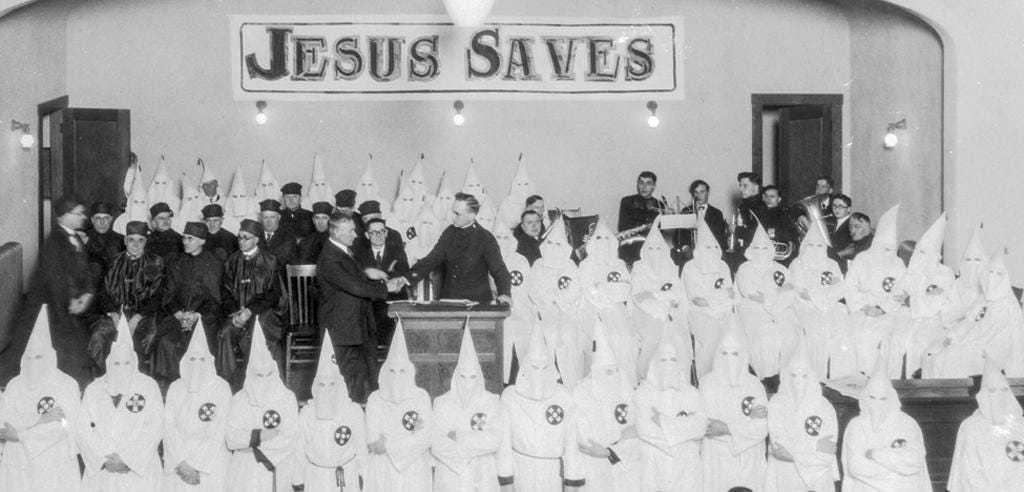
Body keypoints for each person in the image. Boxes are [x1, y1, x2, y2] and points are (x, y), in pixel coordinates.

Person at [317, 210, 398, 404]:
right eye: (351, 231)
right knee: (345, 377)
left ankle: (357, 408)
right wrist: (386, 288)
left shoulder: (341, 250)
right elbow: (354, 287)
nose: (355, 235)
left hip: (353, 323)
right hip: (342, 328)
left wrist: (367, 273)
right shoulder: (329, 257)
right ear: (336, 232)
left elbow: (353, 278)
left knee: (358, 375)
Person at [0, 308, 85, 490]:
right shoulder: (15, 385)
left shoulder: (65, 385)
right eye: (29, 356)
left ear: (50, 356)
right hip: (18, 464)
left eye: (38, 356)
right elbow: (5, 423)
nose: (33, 362)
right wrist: (39, 419)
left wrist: (21, 435)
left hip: (52, 463)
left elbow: (64, 426)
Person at [78, 315, 165, 490]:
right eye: (116, 363)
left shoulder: (148, 387)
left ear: (134, 362)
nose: (122, 368)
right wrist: (102, 460)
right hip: (103, 471)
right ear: (109, 362)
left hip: (138, 472)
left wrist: (128, 459)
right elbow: (83, 428)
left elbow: (155, 427)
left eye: (127, 363)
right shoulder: (94, 389)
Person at [497, 326, 586, 490]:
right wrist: (506, 483)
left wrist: (572, 483)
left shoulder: (563, 396)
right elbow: (504, 444)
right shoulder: (510, 396)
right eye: (534, 367)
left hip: (551, 473)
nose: (539, 373)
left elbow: (571, 445)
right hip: (521, 471)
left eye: (544, 367)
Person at [923, 249, 1024, 378]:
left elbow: (994, 336)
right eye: (990, 272)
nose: (992, 277)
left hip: (990, 350)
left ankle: (954, 392)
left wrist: (963, 342)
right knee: (931, 352)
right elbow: (968, 321)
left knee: (949, 359)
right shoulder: (983, 299)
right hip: (972, 342)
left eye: (998, 274)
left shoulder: (1008, 305)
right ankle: (933, 391)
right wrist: (952, 337)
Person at [225, 321, 299, 492]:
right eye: (259, 375)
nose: (264, 380)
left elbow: (290, 436)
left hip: (277, 466)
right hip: (245, 470)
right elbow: (231, 438)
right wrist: (259, 436)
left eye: (269, 374)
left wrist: (252, 447)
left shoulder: (287, 398)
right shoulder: (240, 399)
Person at [633, 328, 708, 492]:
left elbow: (701, 426)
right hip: (654, 464)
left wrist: (663, 421)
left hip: (687, 466)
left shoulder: (692, 393)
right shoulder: (643, 393)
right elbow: (646, 430)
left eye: (673, 359)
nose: (668, 365)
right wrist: (684, 428)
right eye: (663, 360)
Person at [403, 193, 512, 304]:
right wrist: (405, 278)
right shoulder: (449, 232)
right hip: (450, 300)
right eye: (453, 212)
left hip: (477, 304)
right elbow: (431, 260)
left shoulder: (485, 238)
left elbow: (499, 270)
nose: (452, 217)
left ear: (472, 215)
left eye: (457, 214)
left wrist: (505, 293)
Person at [161, 319, 232, 491]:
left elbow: (219, 430)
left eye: (202, 359)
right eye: (192, 359)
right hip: (179, 463)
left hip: (211, 463)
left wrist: (197, 464)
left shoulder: (221, 388)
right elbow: (168, 426)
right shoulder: (176, 387)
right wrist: (181, 462)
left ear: (209, 361)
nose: (197, 364)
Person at [431, 323, 502, 492]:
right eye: (463, 376)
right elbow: (437, 443)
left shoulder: (491, 401)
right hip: (451, 474)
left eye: (473, 377)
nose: (468, 382)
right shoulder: (442, 402)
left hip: (483, 475)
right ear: (456, 376)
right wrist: (469, 457)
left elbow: (494, 440)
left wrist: (460, 436)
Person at [293, 331, 367, 492]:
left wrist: (364, 477)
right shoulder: (308, 413)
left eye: (332, 384)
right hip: (315, 477)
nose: (327, 389)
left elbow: (361, 447)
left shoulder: (353, 411)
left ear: (340, 385)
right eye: (322, 384)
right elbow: (300, 448)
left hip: (345, 477)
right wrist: (298, 479)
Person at [38, 196, 100, 387]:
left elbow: (86, 271)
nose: (83, 217)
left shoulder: (75, 237)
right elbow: (56, 281)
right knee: (68, 355)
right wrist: (71, 301)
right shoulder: (54, 242)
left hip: (78, 306)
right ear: (64, 215)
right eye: (78, 213)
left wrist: (88, 294)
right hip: (60, 309)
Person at [364, 321, 433, 491]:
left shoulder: (421, 397)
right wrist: (409, 435)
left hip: (414, 471)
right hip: (383, 471)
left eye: (402, 371)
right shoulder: (375, 399)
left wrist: (388, 443)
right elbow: (374, 443)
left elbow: (425, 438)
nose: (396, 376)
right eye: (392, 371)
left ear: (409, 371)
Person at [572, 320, 640, 492]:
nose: (612, 375)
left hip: (626, 467)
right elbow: (586, 440)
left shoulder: (625, 388)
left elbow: (639, 430)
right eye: (607, 371)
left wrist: (610, 450)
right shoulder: (582, 392)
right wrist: (621, 434)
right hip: (595, 468)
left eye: (614, 370)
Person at [840, 364, 931, 491]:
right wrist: (895, 472)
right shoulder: (856, 426)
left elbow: (915, 460)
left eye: (883, 398)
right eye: (872, 397)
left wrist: (876, 455)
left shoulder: (907, 424)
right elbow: (856, 467)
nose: (877, 404)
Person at [700, 326, 768, 492]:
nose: (729, 359)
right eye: (724, 353)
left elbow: (762, 427)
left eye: (735, 353)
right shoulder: (707, 384)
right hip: (717, 458)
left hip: (750, 460)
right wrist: (748, 420)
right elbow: (709, 427)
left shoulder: (754, 384)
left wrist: (727, 428)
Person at [92, 220, 165, 372]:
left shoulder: (155, 262)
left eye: (140, 240)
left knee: (148, 336)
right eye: (131, 240)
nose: (136, 245)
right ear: (125, 240)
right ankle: (102, 377)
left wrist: (137, 317)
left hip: (143, 315)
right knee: (99, 336)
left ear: (145, 241)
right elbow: (103, 292)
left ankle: (139, 377)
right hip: (115, 313)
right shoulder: (113, 262)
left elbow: (156, 296)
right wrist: (113, 314)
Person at [218, 219, 285, 385]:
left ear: (256, 239)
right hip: (237, 314)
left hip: (264, 313)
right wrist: (235, 313)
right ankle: (227, 383)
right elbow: (225, 292)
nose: (241, 241)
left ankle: (266, 383)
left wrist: (250, 311)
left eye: (245, 238)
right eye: (239, 237)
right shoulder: (231, 261)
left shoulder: (270, 261)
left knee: (259, 335)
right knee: (225, 333)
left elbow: (274, 294)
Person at [845, 205, 909, 377]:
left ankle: (884, 380)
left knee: (884, 337)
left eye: (890, 249)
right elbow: (850, 287)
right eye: (884, 248)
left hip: (887, 311)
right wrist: (864, 306)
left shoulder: (897, 263)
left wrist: (882, 309)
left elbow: (901, 289)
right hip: (862, 309)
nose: (887, 253)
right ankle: (860, 379)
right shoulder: (862, 259)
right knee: (857, 335)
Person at [764, 347, 839, 492]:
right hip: (784, 474)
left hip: (817, 477)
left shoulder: (824, 407)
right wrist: (814, 446)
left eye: (804, 376)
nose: (798, 382)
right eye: (793, 375)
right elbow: (780, 449)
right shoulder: (777, 403)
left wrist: (794, 452)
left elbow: (827, 452)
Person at [155, 222, 223, 382]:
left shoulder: (213, 264)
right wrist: (177, 312)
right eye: (184, 237)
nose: (185, 242)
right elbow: (168, 294)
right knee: (167, 342)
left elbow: (214, 300)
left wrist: (197, 314)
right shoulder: (176, 262)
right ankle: (173, 383)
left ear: (202, 241)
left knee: (193, 343)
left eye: (190, 238)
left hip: (204, 318)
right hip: (178, 317)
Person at [735, 223, 798, 384]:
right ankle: (767, 378)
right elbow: (750, 293)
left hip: (781, 309)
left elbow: (790, 291)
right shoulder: (745, 268)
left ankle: (785, 377)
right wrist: (778, 292)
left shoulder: (780, 268)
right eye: (757, 248)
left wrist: (772, 298)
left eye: (765, 248)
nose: (761, 252)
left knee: (790, 334)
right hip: (753, 310)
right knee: (765, 335)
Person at [948, 359, 1024, 490]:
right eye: (992, 390)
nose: (999, 397)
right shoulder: (971, 427)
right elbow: (969, 474)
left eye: (1004, 390)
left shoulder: (1020, 424)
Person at [788, 225, 853, 378]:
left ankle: (841, 377)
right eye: (811, 245)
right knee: (818, 334)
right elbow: (803, 293)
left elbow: (841, 288)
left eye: (819, 245)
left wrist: (817, 293)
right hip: (805, 307)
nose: (815, 249)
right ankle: (817, 376)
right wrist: (825, 292)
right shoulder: (797, 264)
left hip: (831, 305)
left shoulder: (832, 264)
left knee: (843, 332)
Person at [529, 218, 585, 386]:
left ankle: (570, 380)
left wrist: (559, 301)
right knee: (547, 334)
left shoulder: (569, 265)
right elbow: (533, 289)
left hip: (567, 311)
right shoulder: (538, 264)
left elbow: (575, 288)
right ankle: (549, 380)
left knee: (568, 336)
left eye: (558, 244)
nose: (554, 248)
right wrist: (548, 302)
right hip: (543, 310)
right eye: (550, 243)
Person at [902, 213, 957, 377]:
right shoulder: (912, 272)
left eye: (926, 252)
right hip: (910, 317)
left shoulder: (945, 273)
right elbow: (900, 295)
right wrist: (916, 299)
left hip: (936, 319)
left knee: (924, 341)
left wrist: (912, 300)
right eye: (920, 251)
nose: (922, 257)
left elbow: (940, 301)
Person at [682, 219, 735, 378]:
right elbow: (698, 300)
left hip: (724, 311)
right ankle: (706, 378)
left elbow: (731, 294)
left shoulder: (723, 266)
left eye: (714, 246)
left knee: (734, 339)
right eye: (707, 247)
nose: (711, 250)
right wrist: (720, 297)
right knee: (712, 338)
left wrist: (714, 299)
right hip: (699, 314)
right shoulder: (690, 268)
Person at [353, 216, 410, 348]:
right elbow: (357, 277)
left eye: (381, 231)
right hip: (370, 300)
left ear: (386, 233)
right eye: (374, 232)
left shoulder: (397, 251)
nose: (378, 235)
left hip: (393, 299)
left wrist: (391, 277)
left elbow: (404, 273)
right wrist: (370, 273)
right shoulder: (359, 253)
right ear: (367, 235)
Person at [617, 171, 664, 265]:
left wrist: (668, 217)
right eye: (641, 183)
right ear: (637, 184)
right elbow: (622, 227)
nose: (644, 187)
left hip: (652, 245)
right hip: (631, 244)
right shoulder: (627, 201)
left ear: (654, 186)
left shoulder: (660, 204)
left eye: (648, 183)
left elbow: (661, 231)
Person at [679, 179, 727, 252]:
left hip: (711, 251)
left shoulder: (717, 213)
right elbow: (679, 235)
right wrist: (685, 248)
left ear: (708, 192)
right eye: (696, 192)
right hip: (690, 251)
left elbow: (720, 238)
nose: (699, 196)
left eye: (702, 192)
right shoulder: (686, 211)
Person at [757, 185, 800, 266]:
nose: (768, 199)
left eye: (772, 197)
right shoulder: (760, 215)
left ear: (779, 199)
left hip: (779, 261)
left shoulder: (785, 216)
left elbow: (791, 239)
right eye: (766, 196)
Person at [84, 200, 126, 282]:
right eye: (98, 218)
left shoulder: (121, 240)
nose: (102, 222)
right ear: (92, 220)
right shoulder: (84, 239)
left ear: (111, 219)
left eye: (106, 218)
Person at [258, 198, 298, 269]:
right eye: (265, 217)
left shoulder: (288, 236)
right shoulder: (255, 235)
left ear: (279, 217)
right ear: (260, 218)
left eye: (272, 217)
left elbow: (280, 260)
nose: (269, 221)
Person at [827, 193, 854, 258]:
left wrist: (836, 256)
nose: (836, 209)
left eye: (840, 206)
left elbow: (854, 247)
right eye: (834, 206)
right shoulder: (832, 222)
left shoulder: (852, 224)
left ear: (849, 209)